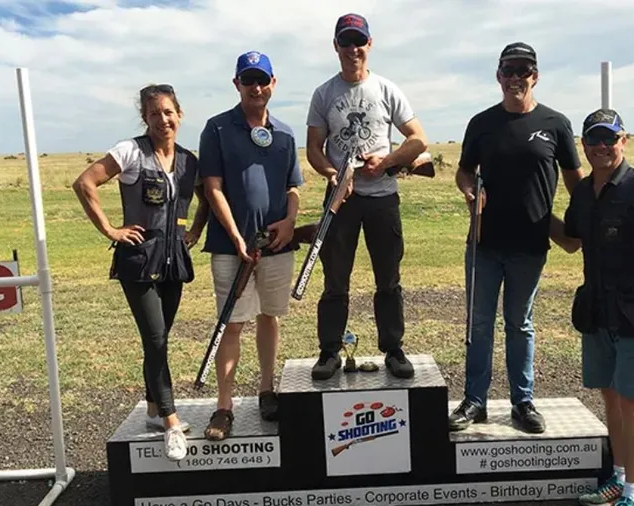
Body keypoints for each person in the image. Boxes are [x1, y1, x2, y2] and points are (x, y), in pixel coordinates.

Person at [549, 108, 634, 506]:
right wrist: (532, 213)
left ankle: (633, 496)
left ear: (624, 140)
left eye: (610, 138)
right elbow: (571, 241)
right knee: (611, 398)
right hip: (598, 313)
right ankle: (619, 478)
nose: (602, 146)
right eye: (594, 139)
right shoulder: (583, 192)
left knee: (632, 402)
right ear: (584, 145)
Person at [449, 42, 584, 434]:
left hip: (530, 246)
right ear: (498, 76)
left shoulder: (556, 124)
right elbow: (463, 171)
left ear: (535, 77)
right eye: (508, 70)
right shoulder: (481, 123)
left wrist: (588, 223)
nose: (515, 78)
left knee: (519, 324)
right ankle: (474, 401)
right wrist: (469, 192)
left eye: (523, 71)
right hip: (483, 244)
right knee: (479, 324)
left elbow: (576, 183)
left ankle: (522, 402)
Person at [72, 84, 208, 461]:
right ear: (144, 118)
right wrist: (110, 230)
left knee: (159, 338)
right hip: (139, 261)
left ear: (179, 114)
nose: (162, 120)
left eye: (168, 112)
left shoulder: (189, 161)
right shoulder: (130, 151)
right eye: (154, 113)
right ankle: (170, 422)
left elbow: (206, 198)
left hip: (174, 260)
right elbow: (85, 182)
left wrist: (195, 231)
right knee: (156, 339)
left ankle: (151, 408)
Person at [305, 13, 428, 381]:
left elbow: (418, 139)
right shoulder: (323, 93)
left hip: (383, 198)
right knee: (335, 280)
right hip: (340, 200)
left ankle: (393, 349)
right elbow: (313, 148)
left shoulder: (386, 90)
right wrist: (333, 176)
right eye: (345, 41)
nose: (352, 48)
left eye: (359, 41)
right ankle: (330, 352)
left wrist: (387, 162)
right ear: (336, 46)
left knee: (388, 279)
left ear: (369, 44)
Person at [197, 51, 303, 441]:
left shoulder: (285, 133)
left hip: (276, 246)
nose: (256, 87)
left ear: (273, 83)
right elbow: (212, 188)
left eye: (262, 80)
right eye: (248, 80)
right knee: (233, 323)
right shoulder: (217, 129)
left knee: (269, 317)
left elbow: (293, 187)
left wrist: (290, 221)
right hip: (231, 248)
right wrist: (237, 236)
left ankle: (266, 390)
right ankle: (224, 406)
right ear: (236, 84)